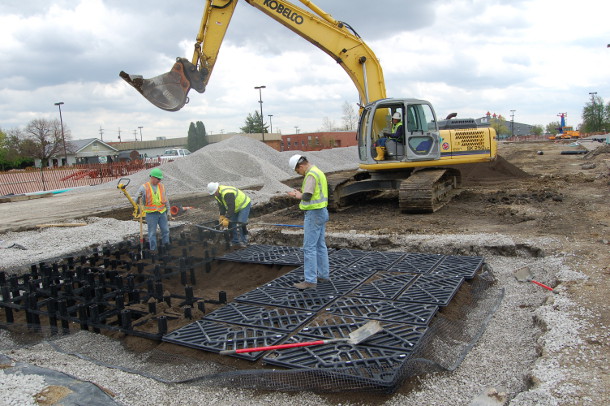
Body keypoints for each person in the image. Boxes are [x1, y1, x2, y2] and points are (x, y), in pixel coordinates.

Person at [287, 154, 330, 290]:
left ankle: (310, 281)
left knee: (309, 248)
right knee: (320, 245)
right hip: (322, 211)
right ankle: (323, 275)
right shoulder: (318, 171)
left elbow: (307, 196)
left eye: (297, 171)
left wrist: (296, 195)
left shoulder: (311, 175)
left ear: (300, 166)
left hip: (314, 213)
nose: (299, 173)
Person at [136, 168, 172, 251]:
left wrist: (168, 210)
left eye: (160, 179)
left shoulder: (161, 186)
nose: (159, 180)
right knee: (152, 233)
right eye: (158, 179)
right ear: (152, 177)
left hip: (162, 212)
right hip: (151, 214)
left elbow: (166, 199)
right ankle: (153, 250)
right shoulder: (144, 188)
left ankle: (166, 247)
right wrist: (139, 199)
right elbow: (136, 201)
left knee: (165, 230)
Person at [208, 182, 251, 247]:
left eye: (214, 192)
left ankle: (244, 242)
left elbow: (231, 207)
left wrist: (227, 218)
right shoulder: (217, 195)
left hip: (243, 205)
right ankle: (235, 241)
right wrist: (222, 215)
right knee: (232, 223)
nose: (214, 194)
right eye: (213, 193)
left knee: (240, 223)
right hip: (235, 207)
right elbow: (221, 206)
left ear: (217, 188)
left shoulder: (227, 193)